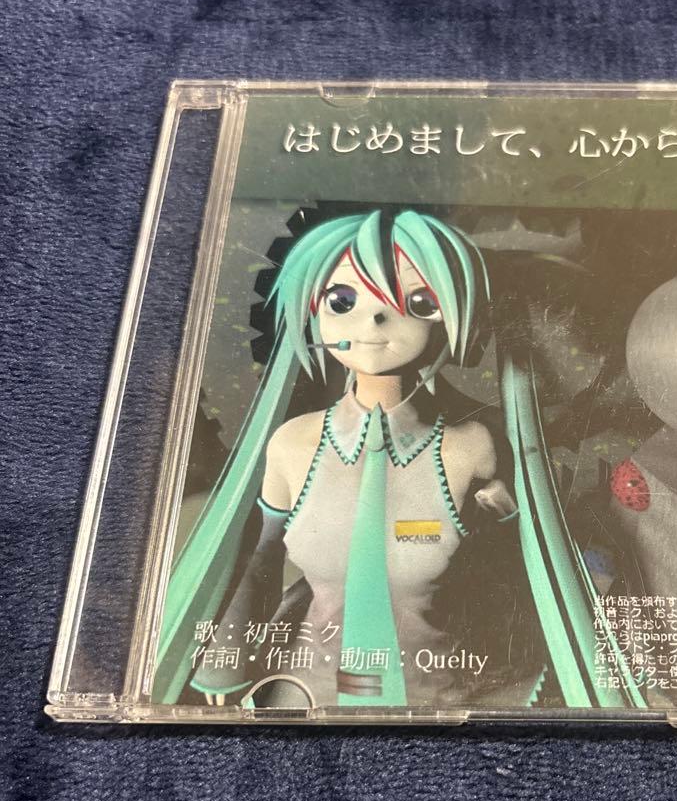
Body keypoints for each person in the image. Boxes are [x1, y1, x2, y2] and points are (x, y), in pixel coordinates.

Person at [152, 209, 640, 711]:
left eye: (418, 302)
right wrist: (223, 668)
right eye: (343, 301)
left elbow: (531, 556)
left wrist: (510, 517)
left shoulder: (473, 446)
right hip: (306, 691)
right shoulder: (293, 444)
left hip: (445, 692)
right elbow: (260, 559)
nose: (375, 319)